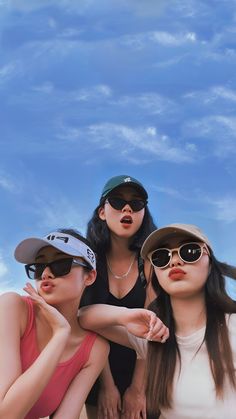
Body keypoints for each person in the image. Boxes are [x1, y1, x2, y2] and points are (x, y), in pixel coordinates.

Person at [79, 223, 236, 419]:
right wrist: (125, 315)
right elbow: (83, 317)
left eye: (189, 251)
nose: (175, 261)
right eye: (161, 257)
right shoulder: (155, 336)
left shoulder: (232, 328)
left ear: (210, 263)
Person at [0, 228, 109, 419]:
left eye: (61, 264)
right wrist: (60, 334)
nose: (46, 274)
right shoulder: (13, 307)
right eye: (39, 266)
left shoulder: (95, 349)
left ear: (89, 276)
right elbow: (6, 414)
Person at [81, 175, 157, 419]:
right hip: (97, 371)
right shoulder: (88, 263)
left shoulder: (152, 262)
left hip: (146, 375)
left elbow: (151, 330)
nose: (127, 208)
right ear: (102, 212)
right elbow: (87, 326)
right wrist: (107, 386)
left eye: (136, 204)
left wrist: (138, 388)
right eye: (117, 201)